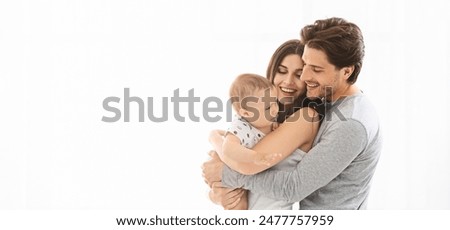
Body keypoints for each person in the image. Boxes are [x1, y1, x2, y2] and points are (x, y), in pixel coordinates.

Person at [203, 17, 382, 209]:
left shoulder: (349, 123)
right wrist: (218, 192)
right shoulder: (327, 103)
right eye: (305, 65)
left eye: (315, 69)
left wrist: (225, 173)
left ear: (346, 72)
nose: (304, 77)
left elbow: (292, 188)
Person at [204, 39, 322, 209]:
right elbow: (237, 148)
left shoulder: (305, 117)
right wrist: (215, 195)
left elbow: (245, 165)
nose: (288, 81)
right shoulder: (264, 115)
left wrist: (215, 139)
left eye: (298, 74)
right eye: (282, 71)